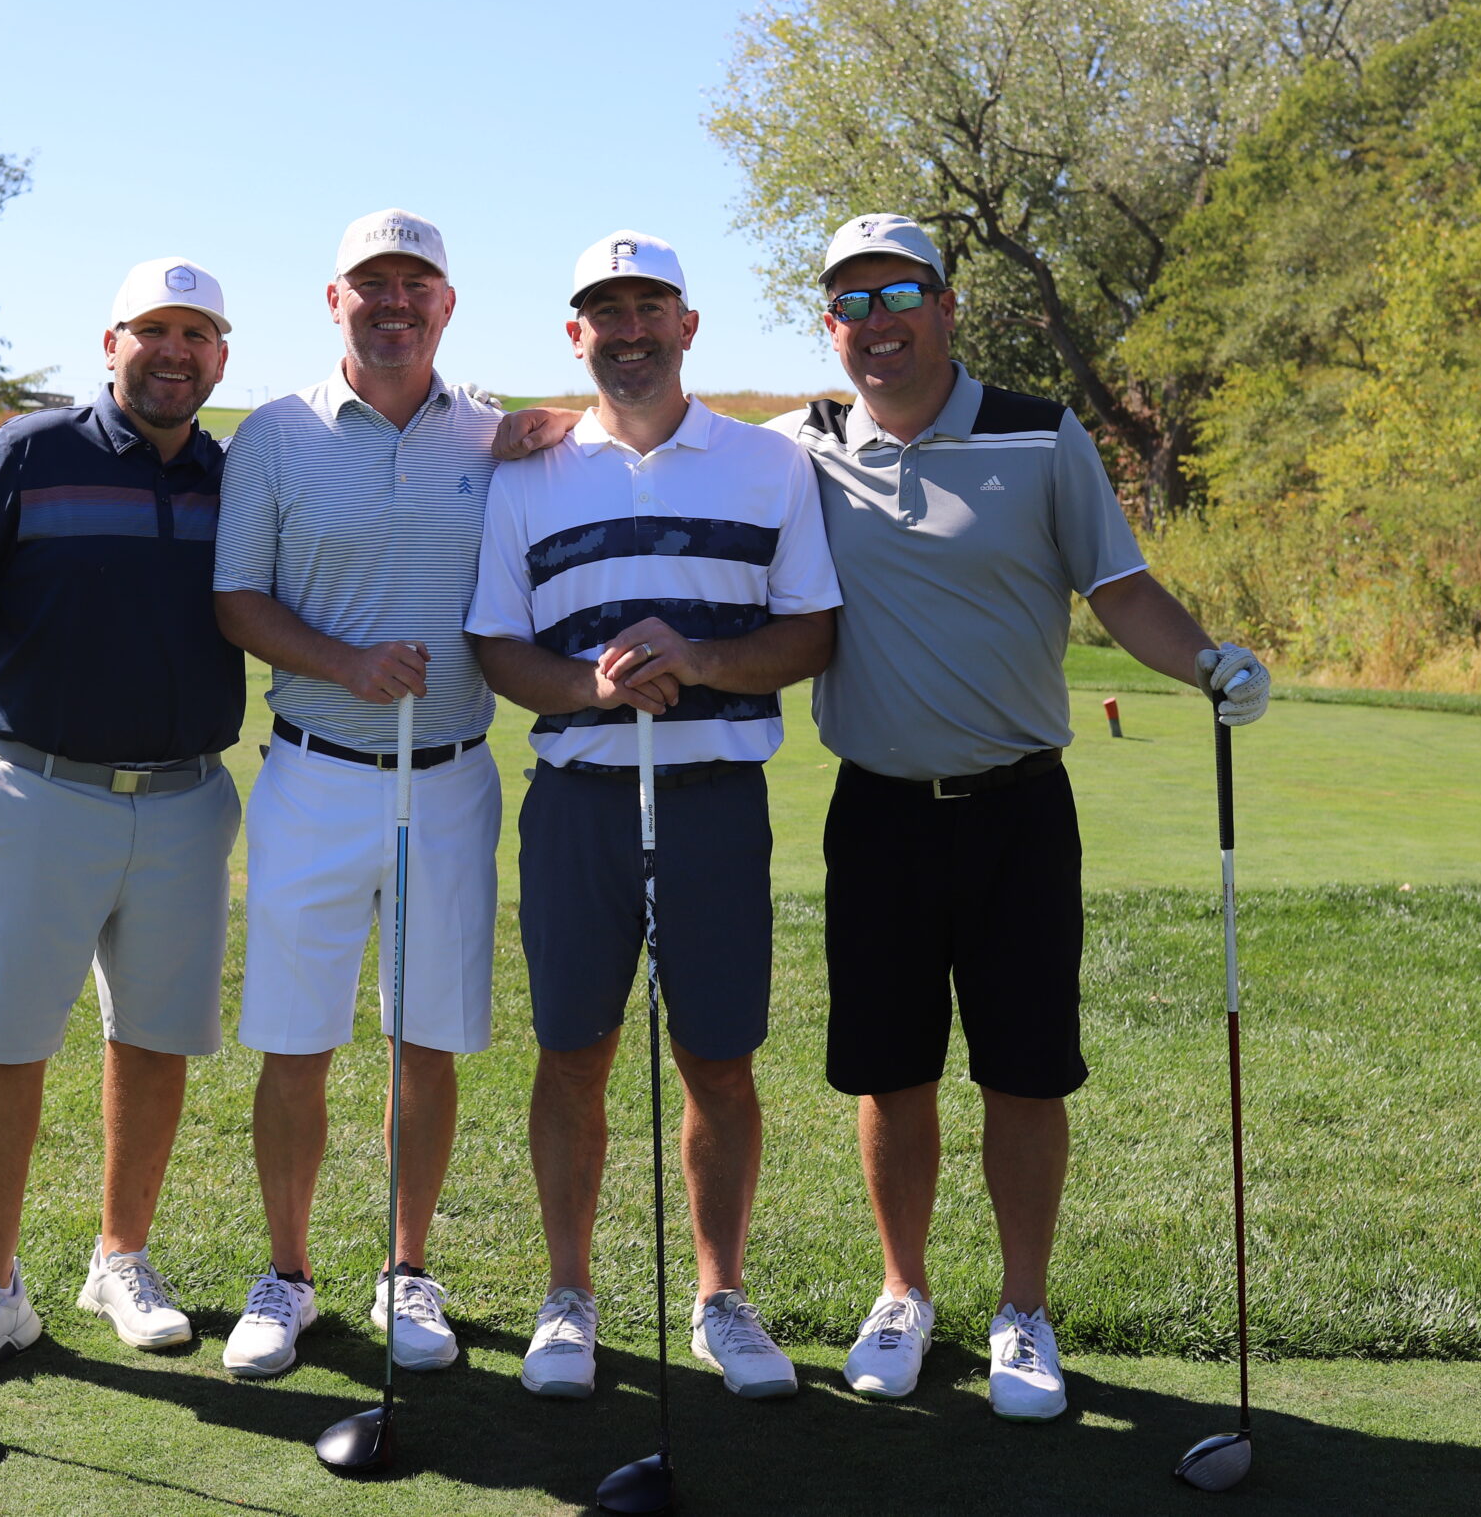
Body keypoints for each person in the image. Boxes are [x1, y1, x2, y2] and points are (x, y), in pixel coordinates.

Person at [770, 213, 1271, 1421]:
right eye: (851, 303)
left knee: (1026, 1073)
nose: (878, 323)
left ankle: (1023, 1311)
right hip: (877, 813)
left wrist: (1207, 662)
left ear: (946, 306)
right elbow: (662, 442)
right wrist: (521, 426)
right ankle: (902, 1294)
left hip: (1018, 813)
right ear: (828, 326)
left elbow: (1120, 588)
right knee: (890, 1074)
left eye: (901, 296)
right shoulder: (799, 445)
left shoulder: (1039, 433)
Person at [467, 231, 842, 1404]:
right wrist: (590, 688)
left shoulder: (768, 464)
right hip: (577, 804)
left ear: (687, 326)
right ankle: (567, 1295)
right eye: (605, 313)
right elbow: (497, 645)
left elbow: (811, 630)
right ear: (574, 335)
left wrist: (705, 660)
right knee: (572, 1053)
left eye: (649, 310)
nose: (628, 332)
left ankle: (720, 1297)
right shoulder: (525, 473)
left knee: (718, 1061)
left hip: (715, 803)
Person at [0, 255, 245, 1392]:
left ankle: (120, 1260)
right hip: (37, 791)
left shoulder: (235, 475)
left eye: (196, 335)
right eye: (153, 331)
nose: (174, 352)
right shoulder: (31, 449)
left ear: (221, 357)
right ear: (111, 344)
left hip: (186, 798)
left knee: (155, 1037)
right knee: (1, 1041)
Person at [209, 209, 508, 1380]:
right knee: (296, 1041)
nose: (394, 303)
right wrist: (344, 663)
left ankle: (406, 1268)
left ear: (446, 304)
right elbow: (237, 599)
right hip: (315, 773)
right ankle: (286, 1277)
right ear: (333, 300)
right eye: (370, 284)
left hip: (452, 779)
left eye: (415, 285)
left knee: (424, 1040)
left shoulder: (492, 434)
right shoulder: (274, 435)